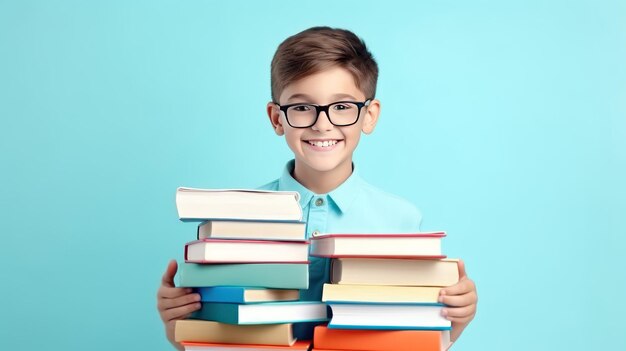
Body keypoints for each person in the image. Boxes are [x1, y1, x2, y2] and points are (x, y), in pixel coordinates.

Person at [157, 26, 477, 350]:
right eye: (301, 107)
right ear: (276, 118)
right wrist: (179, 328)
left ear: (369, 116)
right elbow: (216, 334)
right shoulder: (231, 220)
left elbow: (407, 337)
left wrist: (453, 323)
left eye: (341, 107)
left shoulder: (402, 220)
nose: (322, 123)